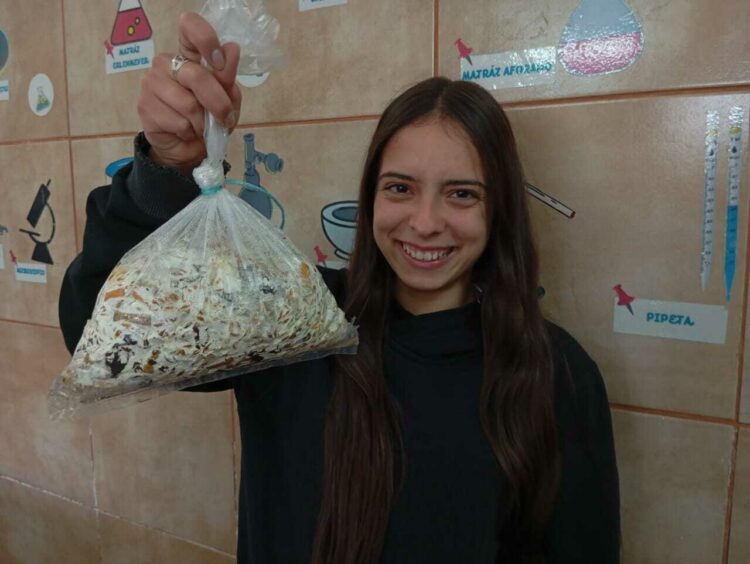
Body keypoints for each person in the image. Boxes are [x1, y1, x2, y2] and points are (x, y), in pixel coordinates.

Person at [59, 12, 620, 564]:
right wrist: (166, 167)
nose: (425, 222)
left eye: (462, 194)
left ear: (498, 211)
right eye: (400, 188)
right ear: (370, 197)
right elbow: (103, 337)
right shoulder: (293, 319)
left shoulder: (558, 374)